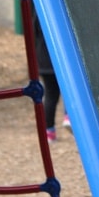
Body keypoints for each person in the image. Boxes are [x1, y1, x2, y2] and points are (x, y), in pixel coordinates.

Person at [33, 11, 71, 143]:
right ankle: (69, 115)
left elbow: (34, 33)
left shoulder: (39, 11)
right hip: (62, 59)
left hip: (44, 60)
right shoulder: (61, 11)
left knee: (50, 96)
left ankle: (49, 132)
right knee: (69, 89)